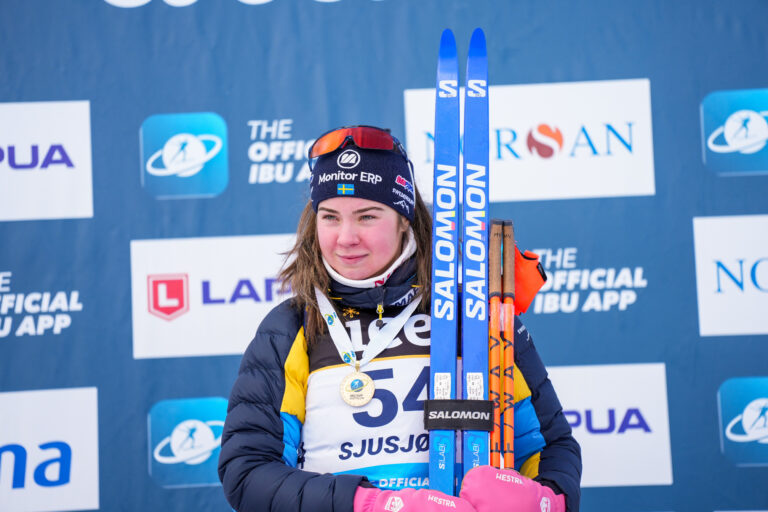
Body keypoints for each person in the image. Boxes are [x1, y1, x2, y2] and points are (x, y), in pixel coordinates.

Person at [218, 125, 581, 512]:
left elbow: (549, 446)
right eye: (330, 217)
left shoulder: (473, 317)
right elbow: (249, 473)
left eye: (367, 216)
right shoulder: (291, 328)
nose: (345, 237)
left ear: (404, 218)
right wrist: (371, 505)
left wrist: (544, 500)